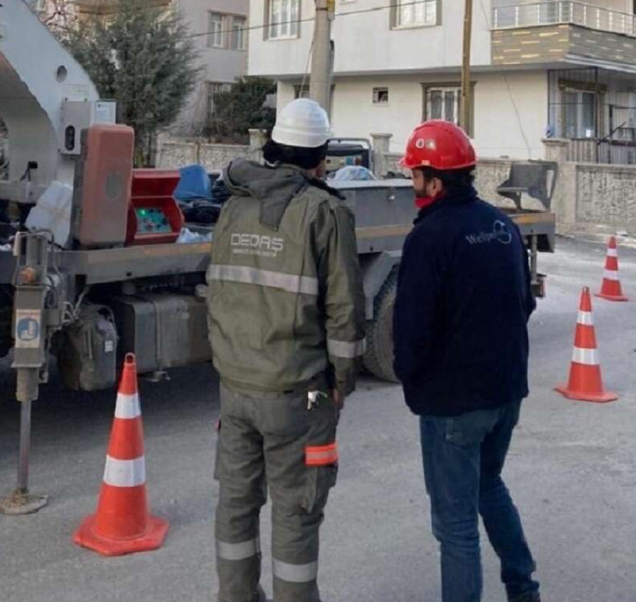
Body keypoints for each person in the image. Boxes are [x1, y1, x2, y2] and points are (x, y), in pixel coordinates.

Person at [207, 98, 366, 602]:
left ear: (273, 149)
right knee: (297, 512)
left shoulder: (234, 206)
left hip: (236, 389)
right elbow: (345, 311)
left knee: (236, 505)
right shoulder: (325, 211)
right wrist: (342, 383)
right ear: (320, 157)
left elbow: (221, 292)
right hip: (298, 394)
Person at [393, 120, 540, 602]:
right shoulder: (501, 225)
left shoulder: (429, 237)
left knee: (455, 527)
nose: (412, 183)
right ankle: (524, 588)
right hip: (506, 391)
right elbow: (525, 304)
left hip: (454, 403)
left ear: (435, 182)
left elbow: (411, 330)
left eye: (415, 175)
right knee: (488, 485)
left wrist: (413, 382)